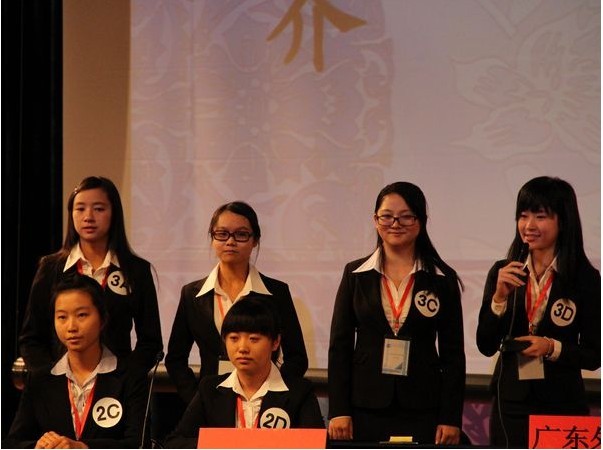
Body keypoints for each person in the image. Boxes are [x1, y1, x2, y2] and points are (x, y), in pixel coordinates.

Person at [328, 181, 466, 445]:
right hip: (365, 404)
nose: (395, 224)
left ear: (421, 221)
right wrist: (339, 410)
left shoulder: (442, 279)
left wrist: (451, 417)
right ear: (375, 220)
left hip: (422, 404)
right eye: (387, 216)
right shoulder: (355, 275)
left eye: (406, 217)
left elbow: (453, 355)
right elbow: (339, 347)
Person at [476, 176, 600, 448]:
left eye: (540, 216)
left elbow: (594, 355)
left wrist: (551, 347)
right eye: (523, 216)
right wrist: (499, 298)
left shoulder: (585, 279)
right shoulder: (504, 272)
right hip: (511, 404)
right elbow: (485, 345)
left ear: (563, 221)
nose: (529, 225)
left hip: (561, 404)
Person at [165, 201, 308, 404]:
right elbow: (176, 359)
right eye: (222, 234)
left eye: (241, 234)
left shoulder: (276, 292)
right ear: (212, 238)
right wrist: (197, 400)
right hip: (212, 401)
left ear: (255, 240)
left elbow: (297, 357)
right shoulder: (192, 294)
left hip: (262, 401)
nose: (230, 241)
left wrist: (273, 396)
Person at [19, 176, 163, 376]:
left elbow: (150, 343)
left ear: (114, 213)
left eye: (99, 209)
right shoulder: (51, 268)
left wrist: (124, 379)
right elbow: (31, 339)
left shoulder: (136, 270)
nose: (88, 217)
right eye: (80, 209)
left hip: (117, 386)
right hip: (61, 384)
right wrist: (51, 378)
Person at [4, 274, 150, 449]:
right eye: (62, 317)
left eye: (81, 315)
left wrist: (82, 447)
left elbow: (138, 444)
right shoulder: (40, 380)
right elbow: (12, 443)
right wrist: (38, 446)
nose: (71, 327)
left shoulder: (130, 377)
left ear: (102, 318)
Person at [164, 296, 324, 448]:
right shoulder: (210, 389)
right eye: (234, 338)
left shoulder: (299, 392)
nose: (242, 348)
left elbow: (318, 445)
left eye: (254, 339)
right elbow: (175, 443)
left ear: (275, 342)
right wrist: (222, 444)